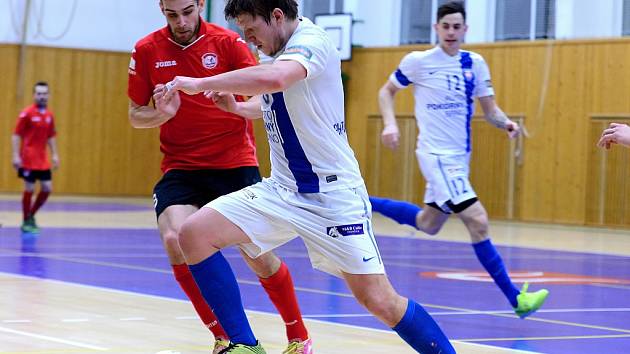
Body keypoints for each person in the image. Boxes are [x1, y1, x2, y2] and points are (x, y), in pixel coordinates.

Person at [157, 1, 456, 353]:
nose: (249, 40)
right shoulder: (277, 52)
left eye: (252, 30)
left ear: (277, 16)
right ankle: (244, 345)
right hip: (282, 190)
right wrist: (238, 108)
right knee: (193, 233)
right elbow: (274, 100)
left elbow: (276, 79)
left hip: (332, 197)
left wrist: (198, 82)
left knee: (380, 300)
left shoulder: (310, 42)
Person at [127, 1, 310, 353]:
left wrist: (238, 107)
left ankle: (299, 335)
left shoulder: (228, 42)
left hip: (234, 164)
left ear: (199, 5)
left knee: (258, 254)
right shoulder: (147, 49)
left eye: (187, 12)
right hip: (181, 167)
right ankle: (227, 338)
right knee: (174, 238)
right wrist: (159, 115)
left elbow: (269, 100)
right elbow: (136, 115)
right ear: (161, 9)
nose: (181, 21)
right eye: (171, 14)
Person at [370, 0, 549, 319]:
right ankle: (516, 299)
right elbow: (386, 92)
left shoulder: (475, 63)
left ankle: (362, 200)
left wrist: (506, 123)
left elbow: (490, 110)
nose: (451, 32)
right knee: (478, 221)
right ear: (436, 29)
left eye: (457, 27)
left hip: (459, 158)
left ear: (465, 30)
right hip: (436, 156)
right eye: (445, 26)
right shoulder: (418, 61)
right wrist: (390, 124)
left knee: (429, 224)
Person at [12, 81, 59, 234]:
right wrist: (15, 156)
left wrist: (55, 155)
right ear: (34, 95)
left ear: (49, 95)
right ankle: (26, 221)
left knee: (47, 188)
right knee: (30, 189)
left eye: (44, 93)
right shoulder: (26, 113)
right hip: (28, 159)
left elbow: (51, 136)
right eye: (39, 93)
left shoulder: (49, 115)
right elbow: (16, 135)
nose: (42, 96)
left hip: (42, 160)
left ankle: (31, 215)